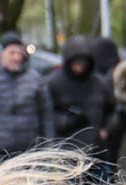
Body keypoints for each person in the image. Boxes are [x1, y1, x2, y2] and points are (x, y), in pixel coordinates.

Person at [39, 32, 116, 161]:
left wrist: (106, 128)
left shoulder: (100, 84)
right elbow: (46, 112)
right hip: (67, 148)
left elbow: (111, 109)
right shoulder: (53, 83)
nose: (79, 69)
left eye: (82, 65)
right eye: (76, 65)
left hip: (97, 148)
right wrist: (66, 121)